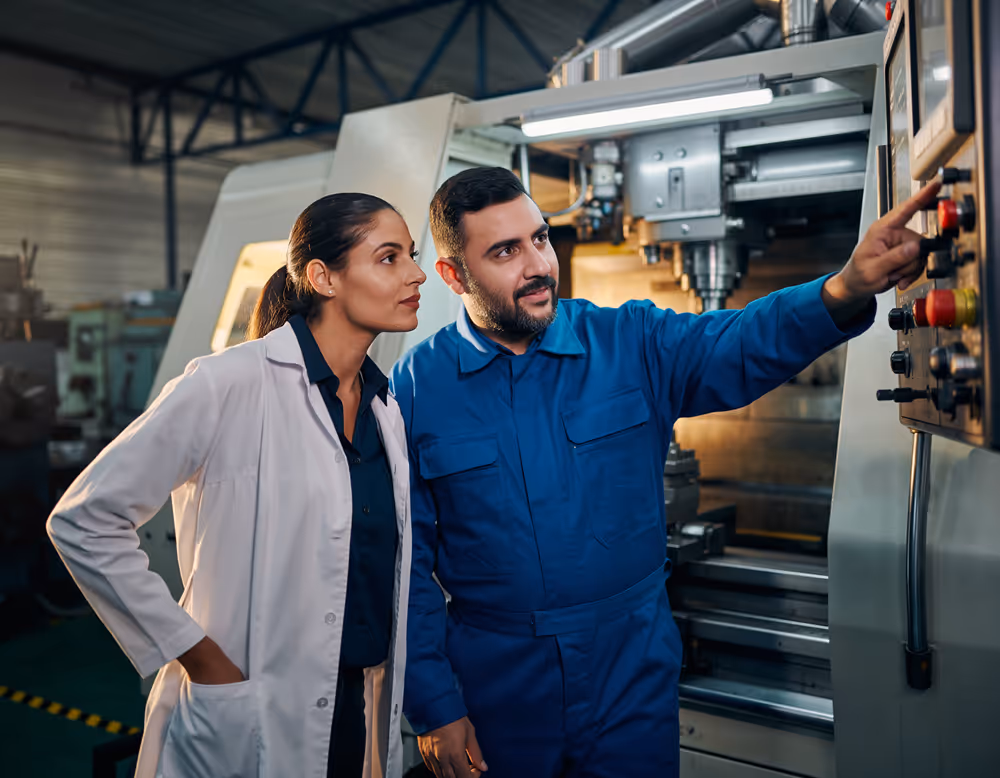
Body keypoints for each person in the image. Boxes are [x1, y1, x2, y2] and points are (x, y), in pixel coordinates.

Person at [389, 167, 941, 778]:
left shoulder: (629, 341)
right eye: (505, 251)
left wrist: (843, 288)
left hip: (629, 675)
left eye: (540, 239)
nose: (537, 265)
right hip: (498, 687)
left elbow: (739, 341)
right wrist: (436, 706)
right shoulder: (418, 388)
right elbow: (403, 564)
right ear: (452, 274)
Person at [47, 193, 426, 778]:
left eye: (412, 255)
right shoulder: (227, 385)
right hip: (249, 709)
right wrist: (197, 656)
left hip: (361, 704)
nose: (416, 273)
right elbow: (84, 518)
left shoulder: (384, 408)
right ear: (323, 277)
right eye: (389, 257)